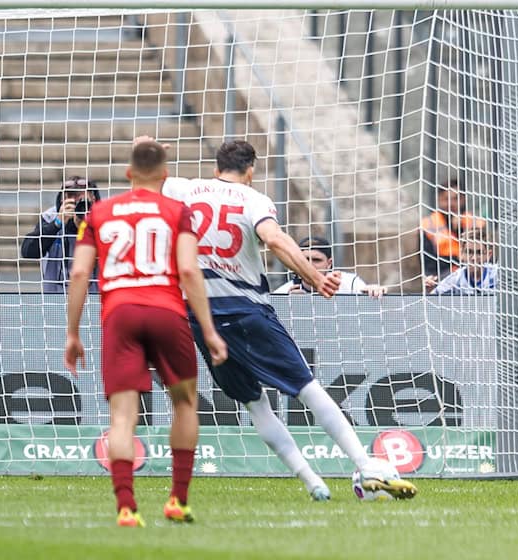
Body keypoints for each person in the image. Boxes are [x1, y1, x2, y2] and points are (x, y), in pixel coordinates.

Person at [158, 137, 417, 501]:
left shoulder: (182, 189)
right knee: (308, 387)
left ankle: (314, 482)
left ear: (216, 168)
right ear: (251, 171)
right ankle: (367, 464)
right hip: (246, 312)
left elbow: (150, 179)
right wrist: (314, 277)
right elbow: (275, 240)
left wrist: (150, 149)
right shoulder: (254, 199)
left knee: (255, 403)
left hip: (201, 319)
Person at [64, 140, 227, 527]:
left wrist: (72, 333)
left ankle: (126, 506)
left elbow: (79, 273)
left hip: (119, 315)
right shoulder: (178, 211)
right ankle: (177, 500)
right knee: (185, 404)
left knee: (122, 417)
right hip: (167, 312)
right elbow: (189, 271)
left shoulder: (100, 212)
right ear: (166, 175)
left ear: (128, 174)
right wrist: (208, 329)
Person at [21, 176, 101, 293]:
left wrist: (88, 229)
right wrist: (57, 223)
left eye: (80, 197)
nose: (76, 201)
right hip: (56, 298)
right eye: (70, 196)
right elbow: (28, 251)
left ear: (93, 198)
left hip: (95, 296)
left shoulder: (104, 217)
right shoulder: (50, 217)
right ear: (62, 200)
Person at [271, 236, 386, 297]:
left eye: (316, 260)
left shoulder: (350, 283)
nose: (310, 266)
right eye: (305, 260)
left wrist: (374, 291)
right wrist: (288, 306)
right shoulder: (283, 293)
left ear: (329, 263)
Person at [421, 179, 486, 280]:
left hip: (472, 273)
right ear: (439, 200)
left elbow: (483, 256)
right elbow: (428, 263)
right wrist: (455, 260)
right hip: (441, 275)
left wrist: (460, 230)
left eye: (456, 199)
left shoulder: (475, 222)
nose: (451, 204)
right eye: (446, 199)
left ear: (463, 199)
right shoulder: (428, 224)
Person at [431, 228, 497, 295]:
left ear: (489, 254)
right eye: (469, 252)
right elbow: (431, 299)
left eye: (479, 253)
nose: (474, 258)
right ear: (461, 253)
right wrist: (428, 290)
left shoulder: (498, 275)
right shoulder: (455, 279)